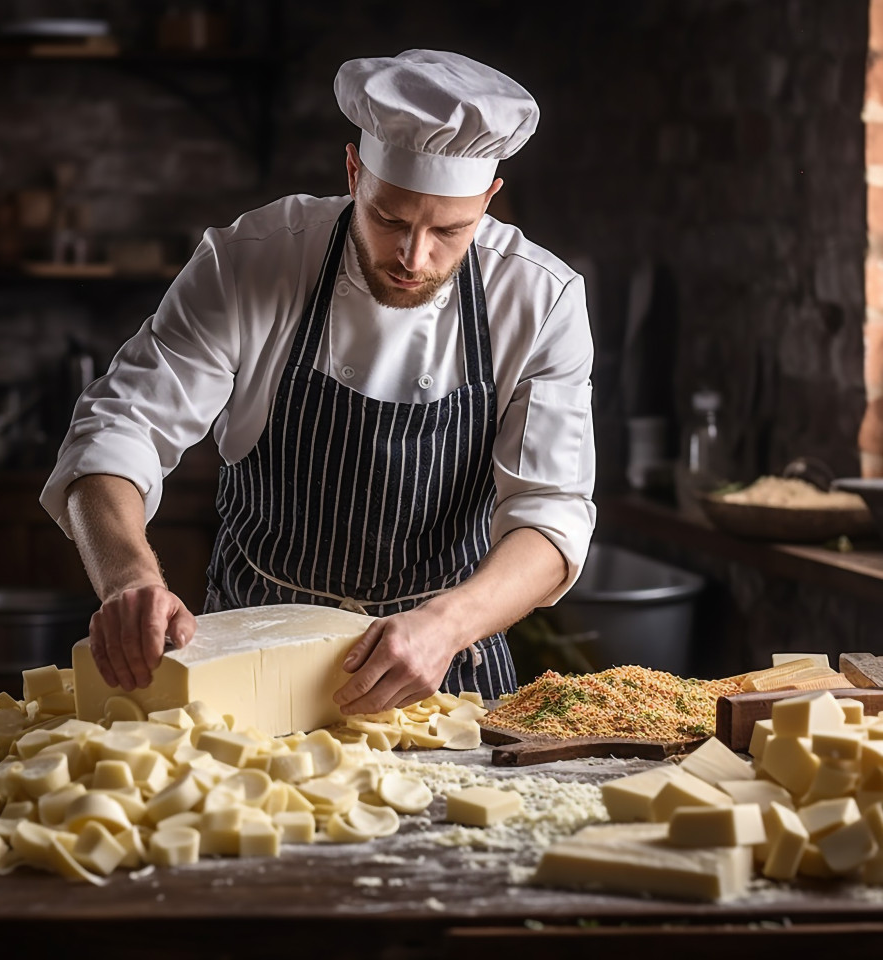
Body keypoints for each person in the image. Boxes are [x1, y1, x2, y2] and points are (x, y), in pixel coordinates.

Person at [40, 49, 596, 717]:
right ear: (354, 171)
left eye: (450, 230)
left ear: (489, 198)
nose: (413, 259)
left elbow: (551, 518)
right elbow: (118, 430)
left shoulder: (541, 299)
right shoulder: (252, 262)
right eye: (389, 219)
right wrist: (127, 579)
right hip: (244, 674)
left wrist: (446, 625)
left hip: (441, 671)